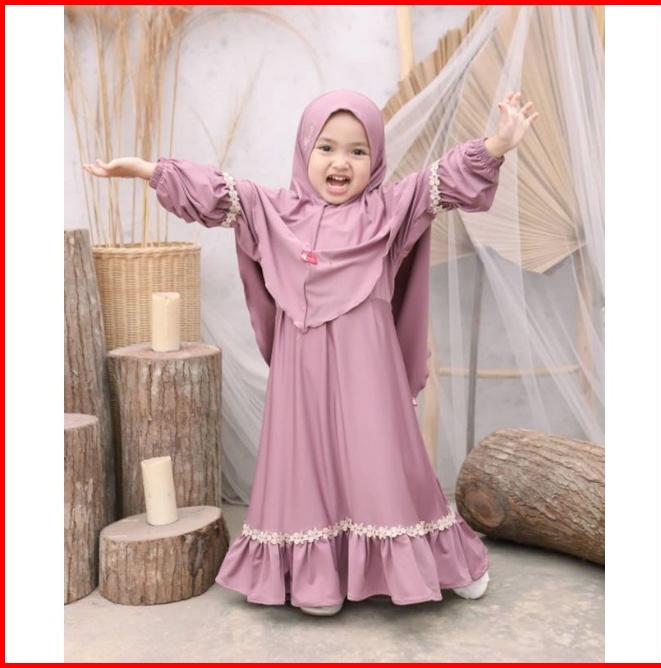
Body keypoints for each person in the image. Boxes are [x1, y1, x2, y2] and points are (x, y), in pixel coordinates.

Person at [84, 89, 538, 617]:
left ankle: (449, 565)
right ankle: (316, 576)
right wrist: (147, 170)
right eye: (326, 147)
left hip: (371, 377)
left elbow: (447, 179)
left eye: (357, 151)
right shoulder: (275, 212)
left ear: (376, 159)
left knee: (386, 463)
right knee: (306, 468)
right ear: (305, 150)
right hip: (302, 380)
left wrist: (497, 144)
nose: (340, 162)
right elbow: (216, 191)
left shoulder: (390, 209)